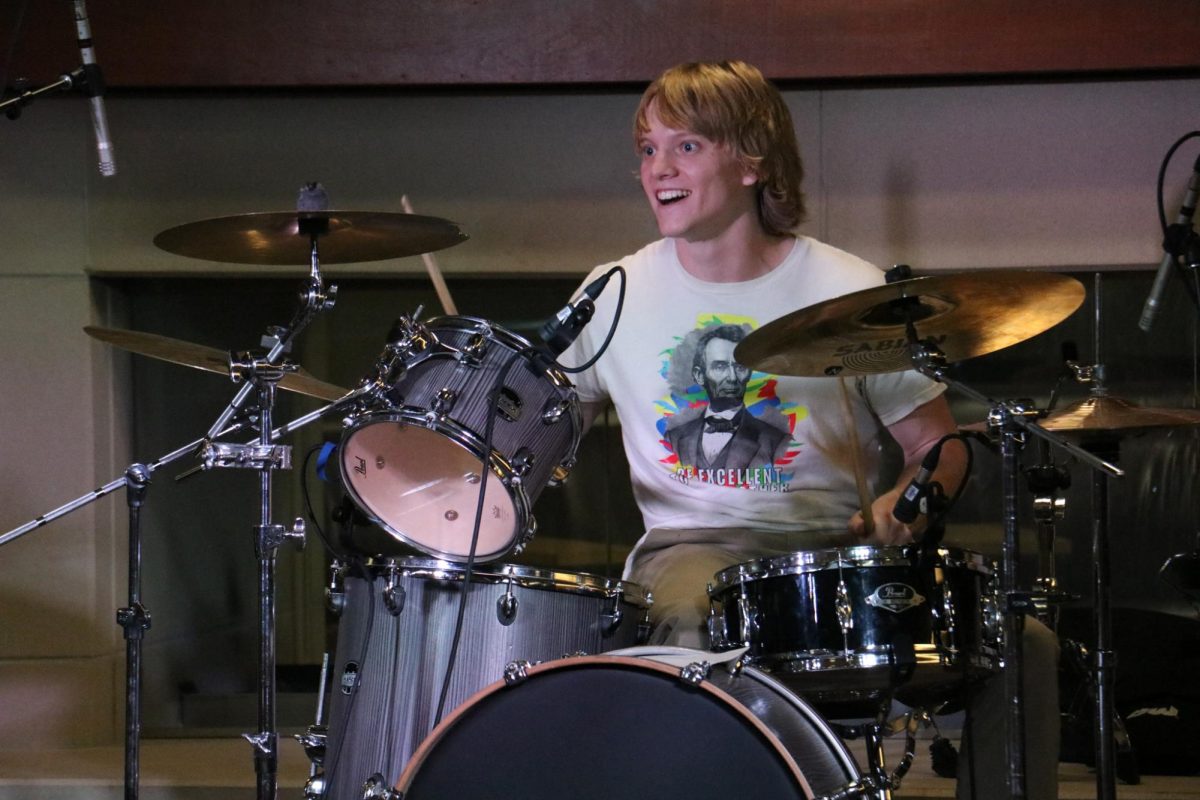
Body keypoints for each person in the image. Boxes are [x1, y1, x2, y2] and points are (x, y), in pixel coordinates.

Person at [561, 60, 1059, 800]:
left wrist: (908, 503)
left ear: (754, 160)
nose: (658, 169)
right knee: (688, 614)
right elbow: (536, 440)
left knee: (1022, 647)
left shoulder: (847, 290)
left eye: (687, 147)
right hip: (692, 552)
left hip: (836, 559)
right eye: (647, 150)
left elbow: (939, 446)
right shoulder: (613, 293)